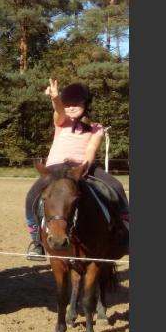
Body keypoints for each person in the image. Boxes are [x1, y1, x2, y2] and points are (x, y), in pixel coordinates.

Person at [25, 79, 130, 260]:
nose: (71, 107)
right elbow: (58, 111)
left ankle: (125, 232)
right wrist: (56, 98)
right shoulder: (62, 122)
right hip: (55, 169)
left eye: (76, 103)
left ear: (85, 104)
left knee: (116, 186)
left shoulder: (96, 127)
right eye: (68, 104)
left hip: (81, 167)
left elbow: (91, 150)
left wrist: (83, 169)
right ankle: (36, 240)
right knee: (32, 195)